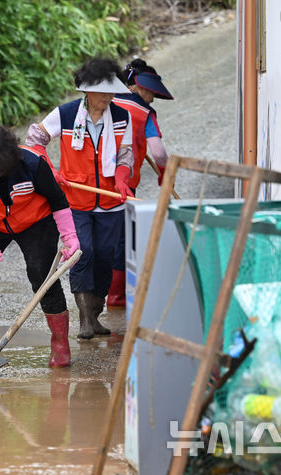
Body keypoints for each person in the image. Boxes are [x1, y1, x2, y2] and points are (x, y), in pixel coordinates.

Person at [0, 123, 80, 368]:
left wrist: (70, 238)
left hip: (36, 220)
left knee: (41, 273)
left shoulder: (32, 162)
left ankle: (60, 344)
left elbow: (58, 200)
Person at [25, 57, 134, 340]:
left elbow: (125, 154)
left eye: (112, 92)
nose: (109, 97)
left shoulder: (122, 117)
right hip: (75, 199)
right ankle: (85, 320)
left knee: (105, 257)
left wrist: (122, 176)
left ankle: (95, 316)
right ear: (88, 92)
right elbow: (34, 140)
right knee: (81, 252)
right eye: (103, 93)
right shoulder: (65, 114)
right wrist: (49, 171)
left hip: (110, 200)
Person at [106, 59, 174, 309]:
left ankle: (93, 299)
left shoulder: (105, 101)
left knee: (99, 235)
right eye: (150, 91)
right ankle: (115, 298)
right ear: (136, 86)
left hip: (95, 181)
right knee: (123, 238)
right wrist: (165, 173)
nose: (153, 98)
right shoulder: (144, 113)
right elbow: (158, 152)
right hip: (124, 185)